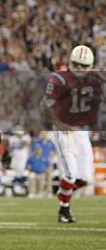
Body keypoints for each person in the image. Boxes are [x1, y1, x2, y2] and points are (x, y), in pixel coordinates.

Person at [42, 45, 102, 223]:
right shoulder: (59, 79)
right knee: (70, 174)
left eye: (84, 66)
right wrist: (59, 123)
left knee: (86, 178)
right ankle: (64, 211)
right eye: (77, 64)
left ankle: (63, 192)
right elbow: (45, 107)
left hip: (82, 131)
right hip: (65, 129)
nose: (80, 69)